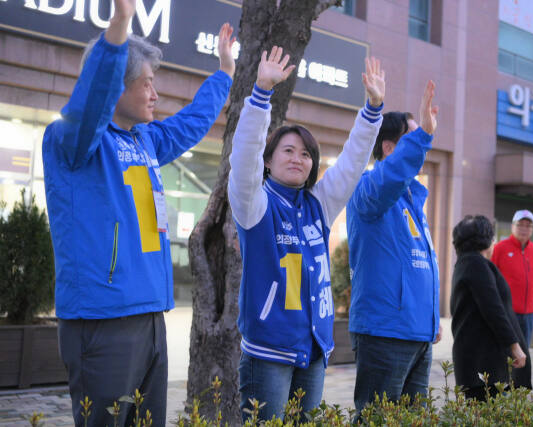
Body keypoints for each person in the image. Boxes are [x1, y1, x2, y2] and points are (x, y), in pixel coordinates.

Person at [42, 0, 235, 424]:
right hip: (103, 318)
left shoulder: (144, 140)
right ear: (116, 85)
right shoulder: (72, 142)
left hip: (150, 316)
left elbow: (190, 124)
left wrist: (224, 74)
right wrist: (120, 24)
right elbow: (90, 102)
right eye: (146, 83)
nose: (155, 93)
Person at [228, 47, 385, 421]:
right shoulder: (255, 204)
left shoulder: (319, 204)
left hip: (314, 349)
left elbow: (350, 163)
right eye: (287, 150)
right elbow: (244, 156)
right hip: (268, 352)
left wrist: (373, 110)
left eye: (306, 154)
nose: (297, 158)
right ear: (268, 160)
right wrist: (261, 95)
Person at [346, 81, 441, 416]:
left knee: (412, 421)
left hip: (418, 335)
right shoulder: (371, 191)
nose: (422, 143)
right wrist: (423, 137)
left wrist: (431, 319)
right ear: (389, 148)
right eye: (412, 137)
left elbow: (420, 264)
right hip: (385, 333)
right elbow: (389, 178)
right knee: (378, 420)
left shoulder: (414, 200)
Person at [450, 215, 532, 401]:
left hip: (476, 358)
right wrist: (515, 346)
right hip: (482, 362)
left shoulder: (466, 263)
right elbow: (493, 308)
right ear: (487, 239)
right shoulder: (476, 264)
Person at [491, 209, 533, 346]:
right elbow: (490, 280)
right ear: (512, 226)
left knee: (524, 355)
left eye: (528, 225)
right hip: (507, 313)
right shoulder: (499, 248)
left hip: (529, 314)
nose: (524, 229)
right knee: (504, 353)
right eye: (520, 224)